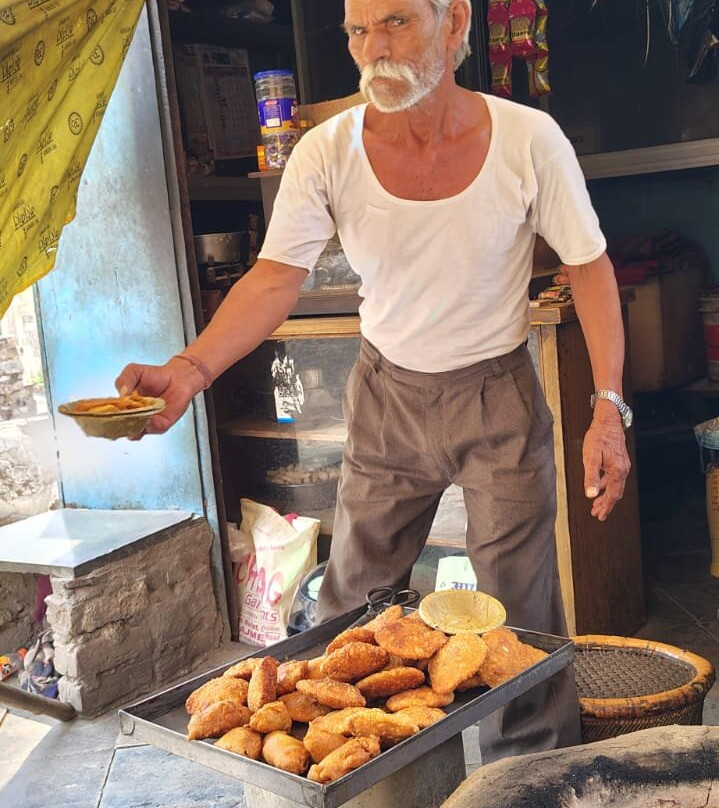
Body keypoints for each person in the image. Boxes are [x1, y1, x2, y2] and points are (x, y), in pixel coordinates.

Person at [117, 0, 631, 763]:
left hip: (498, 396)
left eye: (397, 23)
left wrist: (607, 408)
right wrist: (191, 368)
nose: (373, 49)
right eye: (358, 31)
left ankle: (531, 774)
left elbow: (588, 266)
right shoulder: (325, 151)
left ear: (454, 24)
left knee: (518, 614)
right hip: (388, 396)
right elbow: (272, 278)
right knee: (353, 603)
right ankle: (372, 763)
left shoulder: (528, 139)